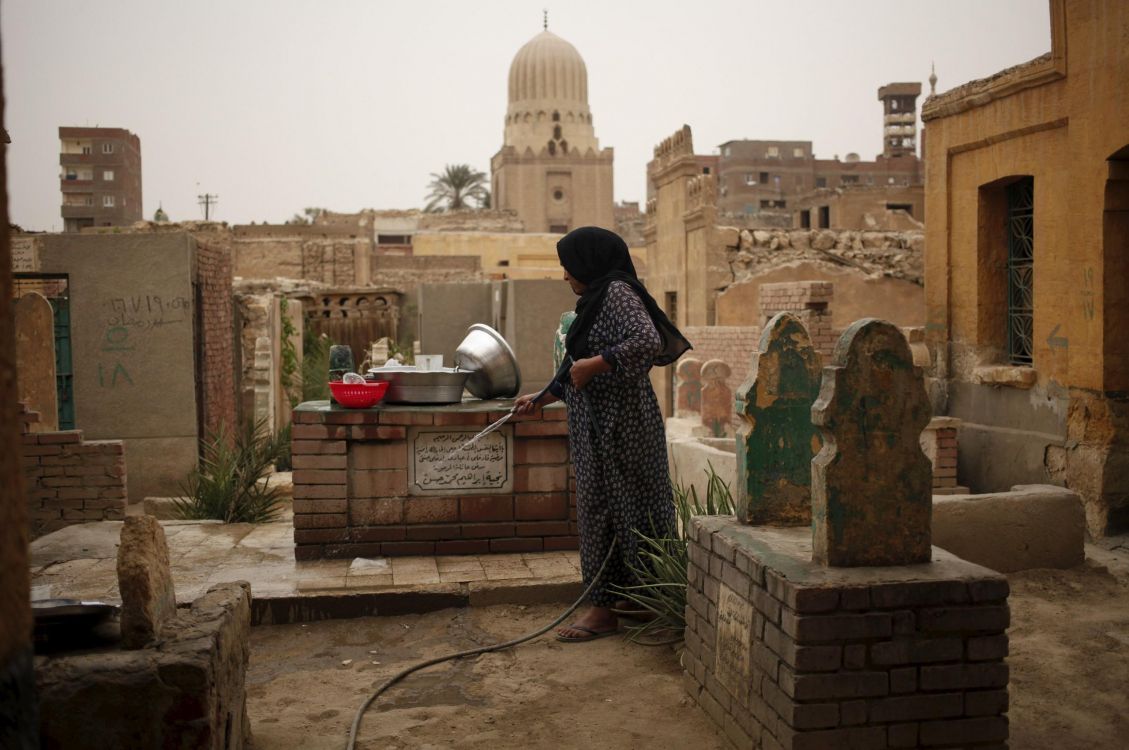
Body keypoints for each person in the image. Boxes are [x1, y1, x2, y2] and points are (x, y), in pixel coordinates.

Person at [514, 226, 691, 642]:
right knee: (606, 510)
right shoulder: (595, 300)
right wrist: (540, 399)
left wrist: (599, 364)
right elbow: (574, 368)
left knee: (629, 509)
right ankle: (630, 597)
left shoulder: (616, 293)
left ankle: (606, 609)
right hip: (598, 425)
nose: (564, 276)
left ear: (589, 262)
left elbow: (646, 340)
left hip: (623, 426)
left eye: (567, 267)